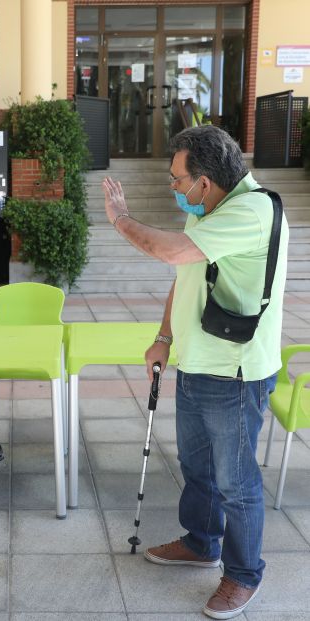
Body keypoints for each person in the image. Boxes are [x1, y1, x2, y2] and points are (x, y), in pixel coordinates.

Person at [102, 125, 289, 620]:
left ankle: (243, 574)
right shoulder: (211, 211)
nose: (172, 187)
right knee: (198, 466)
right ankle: (201, 542)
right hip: (197, 362)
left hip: (236, 373)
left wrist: (121, 219)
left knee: (237, 481)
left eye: (176, 179)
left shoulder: (252, 211)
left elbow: (169, 251)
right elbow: (185, 276)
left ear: (204, 182)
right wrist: (163, 338)